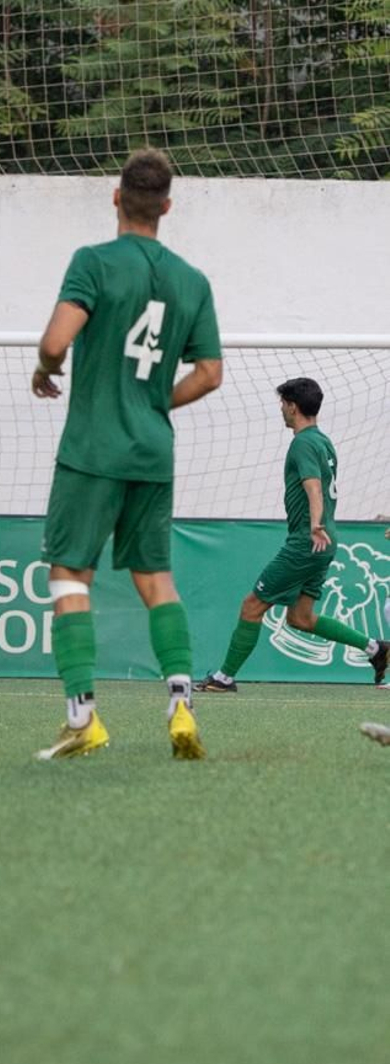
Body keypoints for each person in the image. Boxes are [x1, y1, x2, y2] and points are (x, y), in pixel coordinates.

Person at [30, 147, 225, 761]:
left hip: (92, 449)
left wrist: (45, 368)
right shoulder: (193, 281)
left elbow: (58, 340)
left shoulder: (94, 262)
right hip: (151, 451)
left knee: (69, 576)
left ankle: (83, 716)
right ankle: (180, 703)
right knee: (155, 578)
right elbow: (212, 373)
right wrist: (155, 402)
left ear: (117, 197)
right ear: (167, 207)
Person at [196, 379, 389, 694]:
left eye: (283, 403)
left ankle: (224, 678)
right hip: (325, 543)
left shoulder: (302, 443)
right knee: (300, 618)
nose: (282, 410)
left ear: (293, 406)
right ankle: (375, 648)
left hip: (307, 541)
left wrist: (314, 524)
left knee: (252, 605)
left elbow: (313, 485)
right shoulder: (324, 442)